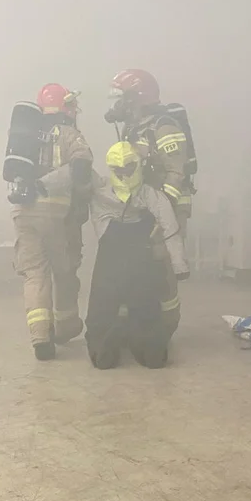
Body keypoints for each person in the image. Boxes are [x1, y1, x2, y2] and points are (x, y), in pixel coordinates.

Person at [105, 69, 196, 336]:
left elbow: (176, 171)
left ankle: (167, 323)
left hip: (170, 204)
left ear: (138, 97)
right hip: (144, 204)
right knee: (136, 260)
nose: (119, 106)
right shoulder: (133, 128)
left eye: (123, 99)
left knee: (162, 261)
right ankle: (135, 320)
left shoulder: (163, 126)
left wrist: (163, 210)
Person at [85, 141, 188, 369]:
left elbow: (169, 228)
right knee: (117, 307)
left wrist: (179, 264)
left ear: (138, 165)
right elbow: (170, 227)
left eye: (129, 168)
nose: (124, 174)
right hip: (128, 256)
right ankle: (116, 349)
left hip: (124, 258)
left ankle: (133, 349)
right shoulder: (104, 189)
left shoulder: (147, 194)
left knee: (130, 306)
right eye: (118, 170)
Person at [9, 84, 92, 360]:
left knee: (35, 274)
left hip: (23, 213)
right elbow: (82, 167)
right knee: (64, 272)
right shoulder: (68, 133)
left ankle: (40, 338)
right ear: (65, 106)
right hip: (57, 215)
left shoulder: (26, 137)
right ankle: (66, 326)